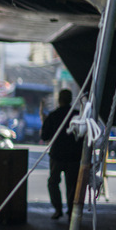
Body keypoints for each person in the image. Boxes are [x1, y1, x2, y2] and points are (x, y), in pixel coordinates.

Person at [40, 89, 84, 219]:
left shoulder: (53, 116)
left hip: (57, 156)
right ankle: (71, 210)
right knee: (72, 185)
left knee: (53, 182)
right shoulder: (78, 116)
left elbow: (44, 136)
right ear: (71, 100)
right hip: (74, 157)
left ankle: (57, 209)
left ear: (59, 100)